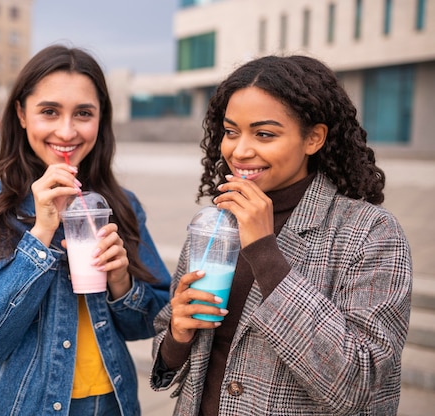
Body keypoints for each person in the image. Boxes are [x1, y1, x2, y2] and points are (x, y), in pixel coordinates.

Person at [150, 55, 412, 415]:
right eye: (230, 131)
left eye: (264, 134)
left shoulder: (371, 233)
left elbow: (358, 383)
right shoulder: (216, 223)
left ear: (314, 139)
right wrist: (177, 337)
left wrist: (263, 249)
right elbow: (168, 347)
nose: (239, 151)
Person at [0, 44, 171, 416]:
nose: (67, 130)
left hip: (110, 403)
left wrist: (121, 281)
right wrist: (41, 233)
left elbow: (150, 322)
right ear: (21, 114)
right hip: (22, 406)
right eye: (49, 112)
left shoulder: (121, 206)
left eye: (83, 113)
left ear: (101, 119)